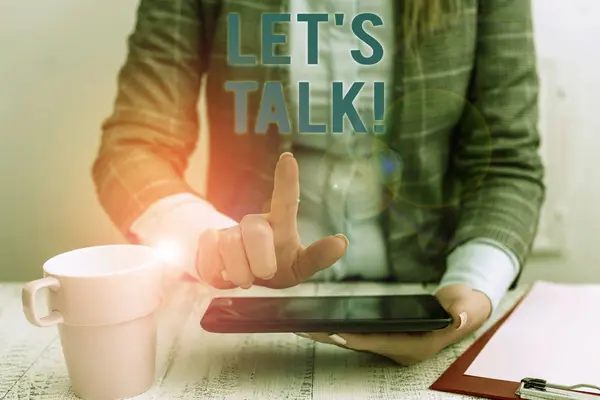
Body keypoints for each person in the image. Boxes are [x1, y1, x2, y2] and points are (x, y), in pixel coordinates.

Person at [92, 0, 544, 366]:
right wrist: (209, 238)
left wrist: (473, 287)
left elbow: (507, 161)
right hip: (237, 304)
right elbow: (133, 149)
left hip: (423, 291)